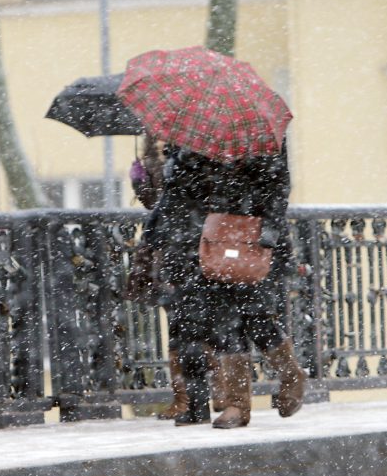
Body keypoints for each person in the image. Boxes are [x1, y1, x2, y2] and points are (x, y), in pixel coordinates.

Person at [143, 140, 306, 428]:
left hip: (252, 241)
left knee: (256, 318)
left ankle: (291, 374)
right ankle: (237, 405)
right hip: (208, 242)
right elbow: (177, 195)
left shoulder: (259, 135)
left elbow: (277, 188)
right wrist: (158, 233)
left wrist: (266, 232)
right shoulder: (189, 138)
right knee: (223, 321)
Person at [130, 134, 229, 419]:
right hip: (172, 250)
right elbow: (154, 205)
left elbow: (189, 201)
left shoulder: (196, 158)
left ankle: (210, 391)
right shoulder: (158, 160)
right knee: (179, 326)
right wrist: (142, 177)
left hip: (197, 247)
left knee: (199, 324)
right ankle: (186, 397)